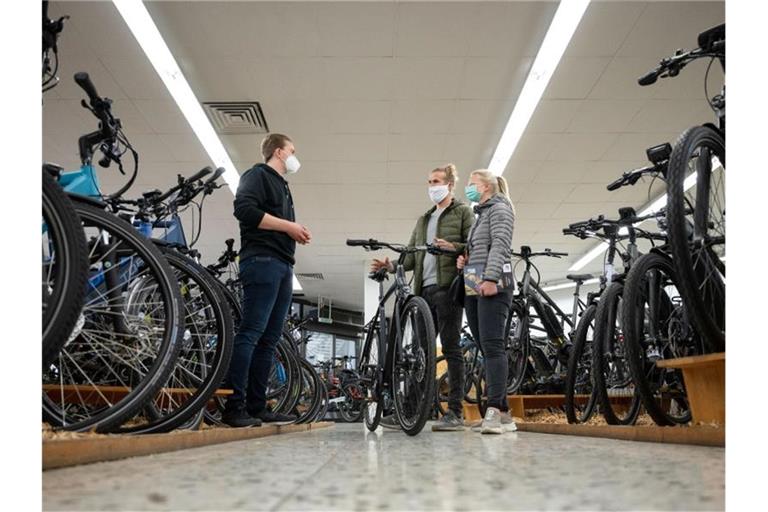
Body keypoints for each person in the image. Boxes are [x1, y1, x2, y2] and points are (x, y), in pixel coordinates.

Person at [371, 164, 474, 431]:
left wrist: (454, 247)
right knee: (419, 354)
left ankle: (454, 413)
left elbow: (473, 245)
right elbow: (411, 255)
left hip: (448, 288)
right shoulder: (423, 220)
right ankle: (412, 410)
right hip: (423, 292)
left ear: (450, 185)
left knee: (451, 349)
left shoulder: (463, 212)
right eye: (429, 182)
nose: (432, 186)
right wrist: (391, 265)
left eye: (437, 181)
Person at [222, 133, 312, 428]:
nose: (295, 156)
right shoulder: (257, 175)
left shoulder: (283, 186)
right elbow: (244, 210)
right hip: (262, 261)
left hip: (283, 264)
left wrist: (293, 230)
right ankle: (234, 406)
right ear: (279, 152)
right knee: (252, 332)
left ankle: (257, 406)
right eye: (292, 150)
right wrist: (289, 226)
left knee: (270, 339)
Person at [457, 169, 517, 435]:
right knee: (484, 346)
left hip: (493, 283)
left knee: (493, 347)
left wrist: (491, 278)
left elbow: (501, 244)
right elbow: (482, 247)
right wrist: (465, 260)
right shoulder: (480, 215)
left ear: (484, 187)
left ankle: (493, 408)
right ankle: (504, 414)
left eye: (471, 184)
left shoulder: (500, 209)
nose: (468, 189)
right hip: (474, 281)